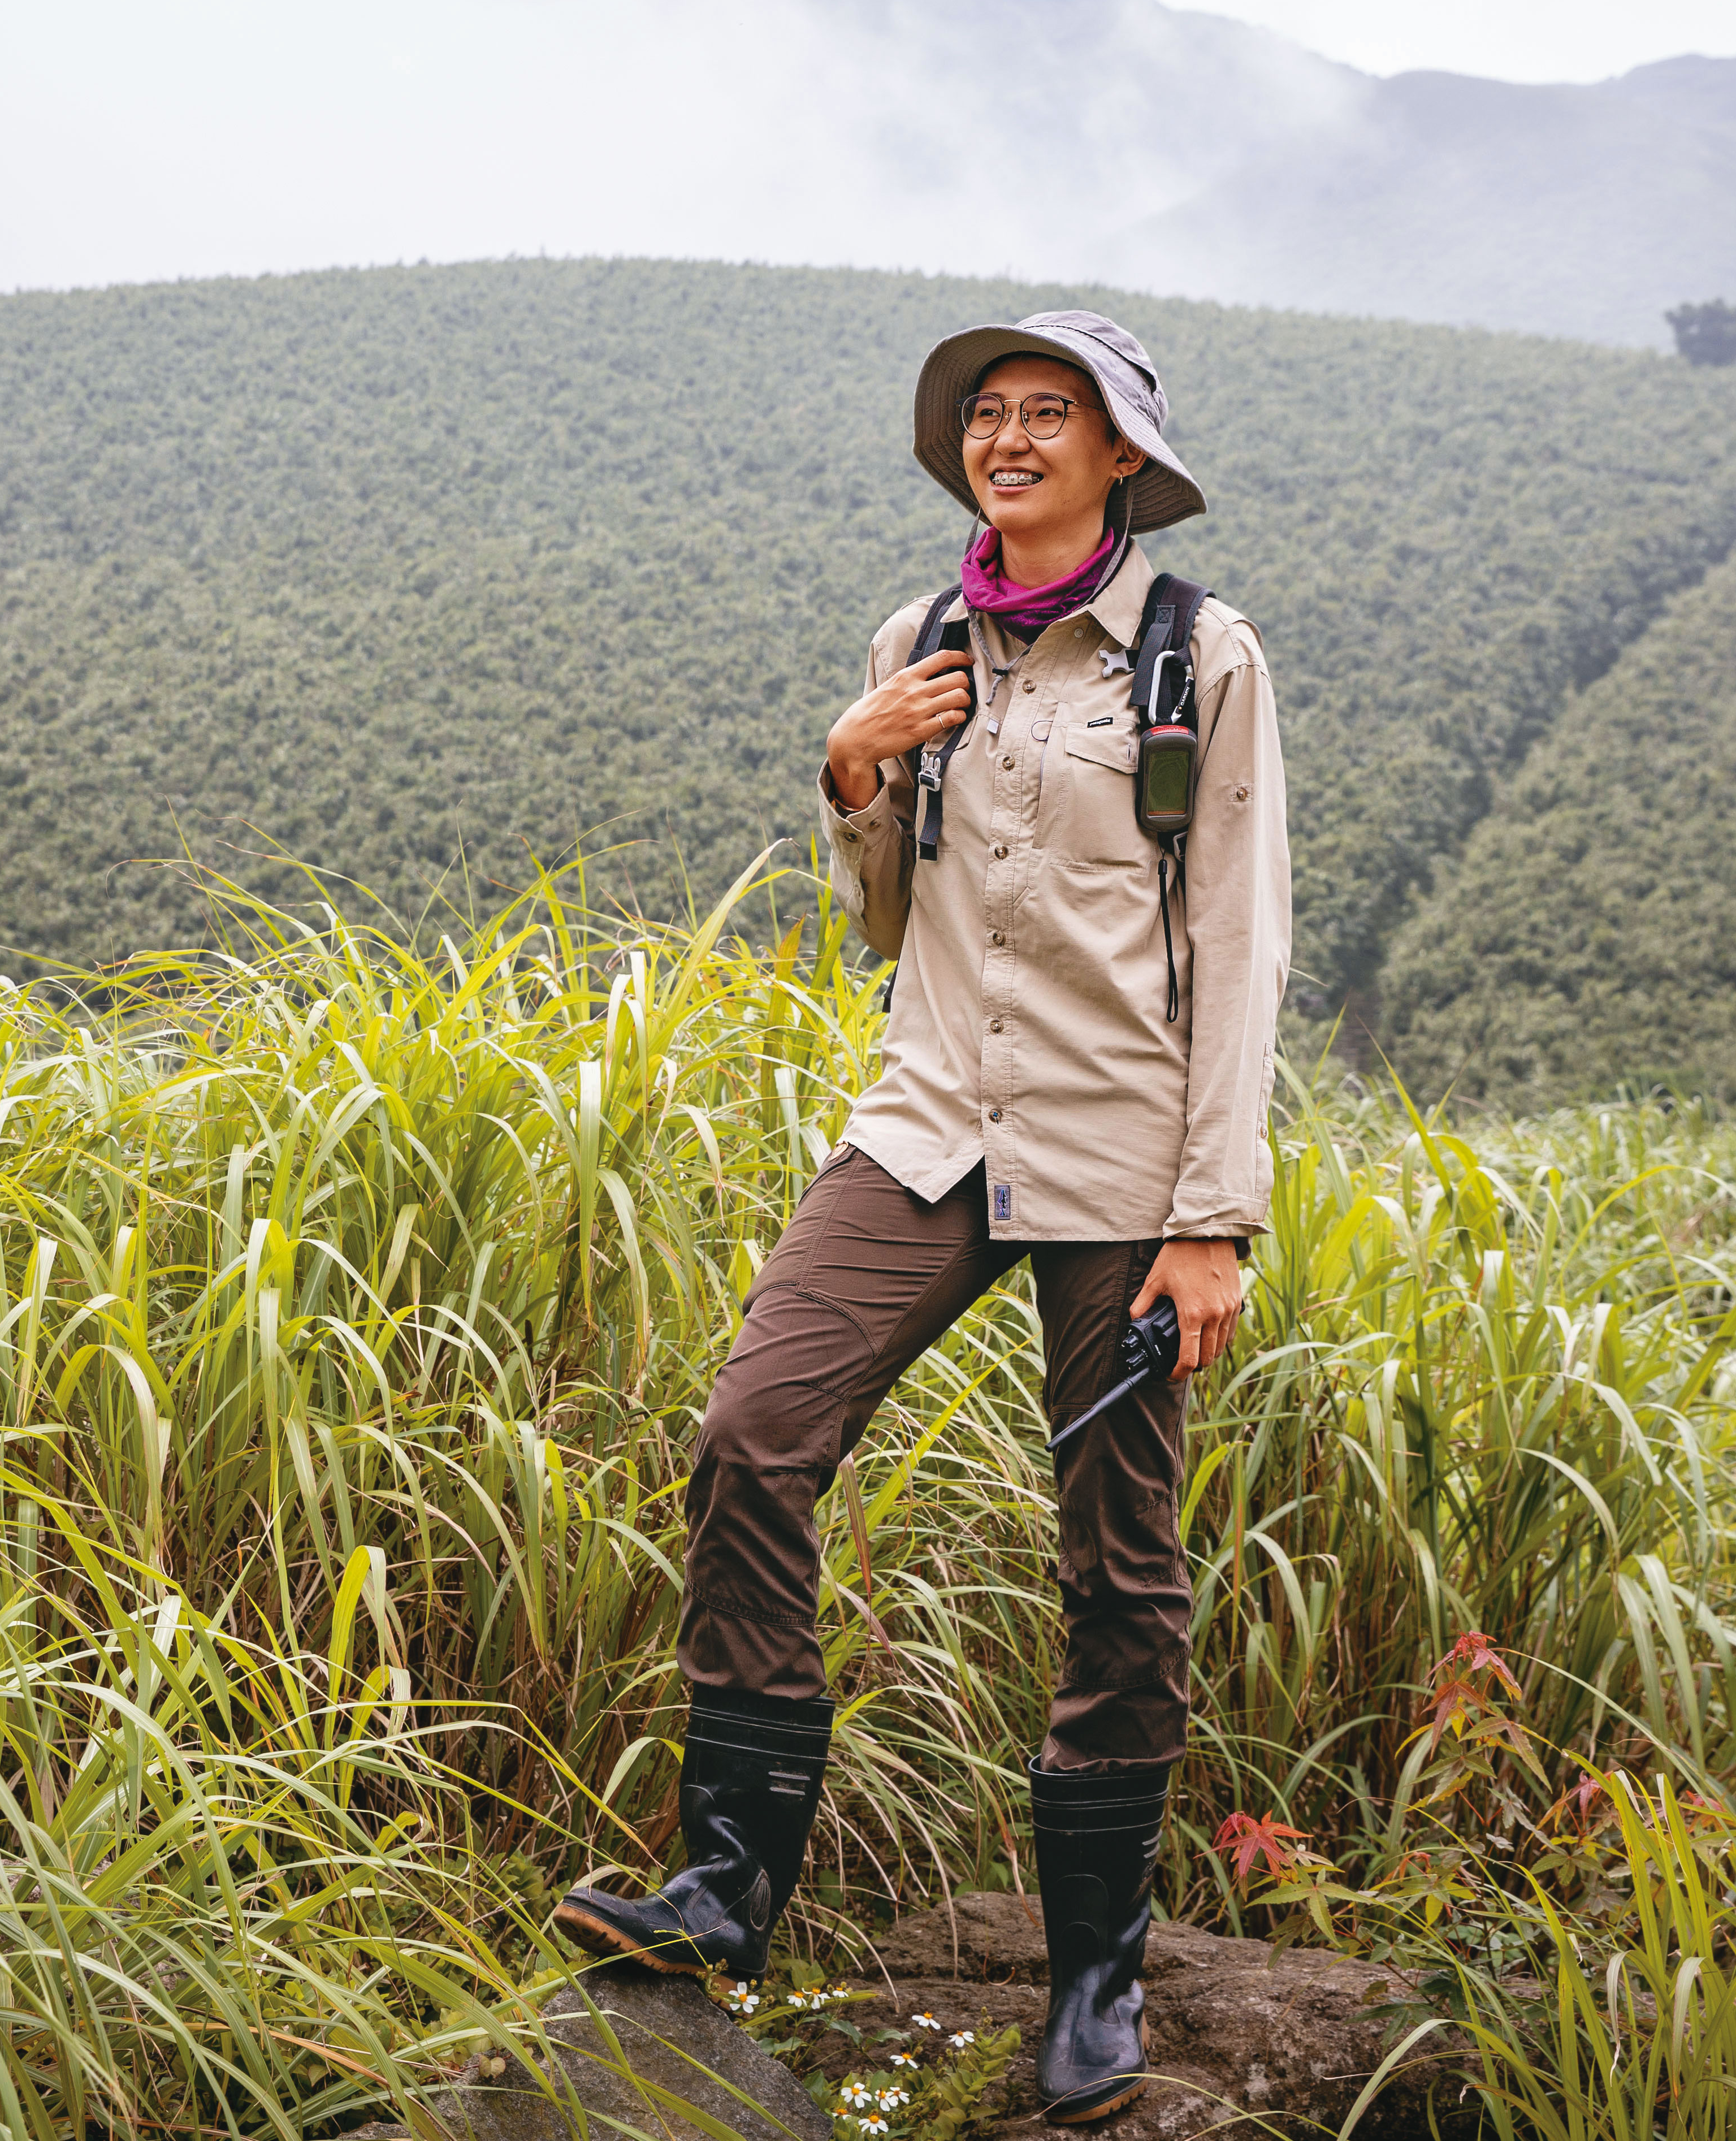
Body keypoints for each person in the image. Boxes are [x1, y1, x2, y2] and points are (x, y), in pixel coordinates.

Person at [552, 310, 1292, 2127]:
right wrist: (852, 768)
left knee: (1119, 1554)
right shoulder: (918, 643)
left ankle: (1095, 1979)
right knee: (754, 1435)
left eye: (1051, 415)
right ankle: (727, 1884)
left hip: (1123, 1154)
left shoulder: (1200, 659)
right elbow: (891, 920)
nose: (1009, 439)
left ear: (1121, 456)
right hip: (932, 1121)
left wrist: (1214, 1218)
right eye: (988, 415)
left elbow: (1240, 938)